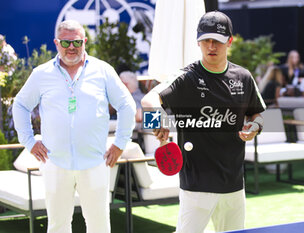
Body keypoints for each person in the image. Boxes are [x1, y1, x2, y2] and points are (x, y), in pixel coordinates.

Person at [142, 11, 265, 233]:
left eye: (217, 41)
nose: (211, 46)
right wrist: (156, 122)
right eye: (206, 40)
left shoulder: (244, 78)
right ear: (198, 41)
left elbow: (257, 115)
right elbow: (148, 99)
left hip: (233, 184)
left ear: (229, 41)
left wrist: (255, 127)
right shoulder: (185, 77)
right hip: (196, 186)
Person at [12, 20, 136, 233]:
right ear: (56, 43)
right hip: (55, 162)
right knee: (58, 225)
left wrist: (120, 144)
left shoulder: (103, 70)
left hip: (95, 161)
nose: (72, 47)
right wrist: (29, 141)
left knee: (99, 226)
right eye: (66, 42)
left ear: (84, 41)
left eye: (77, 42)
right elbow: (20, 104)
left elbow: (127, 105)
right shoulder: (42, 74)